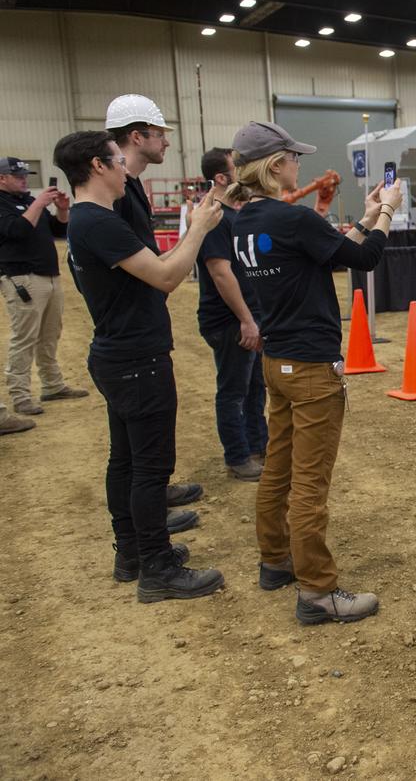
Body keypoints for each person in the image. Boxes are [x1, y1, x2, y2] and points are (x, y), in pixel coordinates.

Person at [227, 120, 401, 625]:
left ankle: (275, 560)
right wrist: (389, 209)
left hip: (277, 361)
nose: (299, 165)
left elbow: (329, 253)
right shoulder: (292, 219)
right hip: (309, 366)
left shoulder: (246, 220)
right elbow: (364, 260)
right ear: (276, 165)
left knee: (278, 467)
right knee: (310, 484)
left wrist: (367, 216)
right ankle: (318, 592)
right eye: (293, 157)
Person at [56, 130, 226, 601]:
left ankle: (132, 552)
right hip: (137, 360)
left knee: (127, 462)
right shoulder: (99, 223)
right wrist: (199, 228)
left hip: (120, 355)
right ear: (97, 166)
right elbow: (168, 277)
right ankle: (156, 565)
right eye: (116, 159)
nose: (123, 167)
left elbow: (154, 268)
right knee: (150, 468)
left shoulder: (89, 220)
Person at [105, 93, 205, 514]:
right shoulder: (119, 195)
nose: (166, 142)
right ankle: (148, 509)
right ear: (136, 135)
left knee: (133, 448)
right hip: (133, 338)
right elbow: (156, 274)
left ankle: (149, 499)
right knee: (140, 449)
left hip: (136, 328)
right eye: (160, 134)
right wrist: (198, 230)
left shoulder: (131, 189)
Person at [0, 157, 88, 433]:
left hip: (48, 275)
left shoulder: (26, 200)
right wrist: (40, 203)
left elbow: (58, 231)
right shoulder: (6, 205)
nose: (24, 179)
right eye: (18, 175)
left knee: (50, 334)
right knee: (24, 337)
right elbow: (16, 230)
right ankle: (21, 395)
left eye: (26, 174)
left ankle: (52, 384)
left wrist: (62, 211)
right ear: (2, 178)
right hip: (22, 278)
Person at [195, 147, 266, 481]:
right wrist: (246, 319)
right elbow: (220, 273)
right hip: (229, 321)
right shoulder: (214, 219)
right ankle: (238, 457)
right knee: (234, 390)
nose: (245, 172)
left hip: (245, 315)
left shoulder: (231, 214)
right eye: (237, 168)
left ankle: (257, 445)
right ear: (222, 178)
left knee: (255, 386)